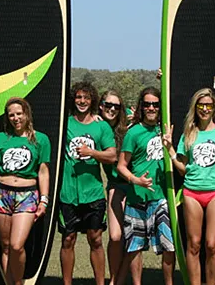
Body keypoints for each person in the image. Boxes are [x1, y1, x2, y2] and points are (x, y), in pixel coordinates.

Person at [165, 88, 215, 285]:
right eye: (200, 105)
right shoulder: (188, 134)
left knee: (212, 245)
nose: (204, 109)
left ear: (214, 108)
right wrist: (170, 150)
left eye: (208, 105)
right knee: (193, 244)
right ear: (195, 108)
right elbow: (183, 170)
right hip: (191, 192)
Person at [0, 97, 51, 285]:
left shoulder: (41, 139)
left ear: (27, 114)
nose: (16, 118)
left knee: (17, 246)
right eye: (11, 115)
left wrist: (44, 200)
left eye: (19, 113)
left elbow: (43, 172)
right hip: (1, 194)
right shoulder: (1, 137)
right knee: (7, 246)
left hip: (27, 196)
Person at [59, 81, 117, 285]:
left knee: (96, 239)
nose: (82, 101)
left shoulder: (101, 126)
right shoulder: (64, 124)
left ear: (92, 100)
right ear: (73, 100)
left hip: (93, 194)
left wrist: (91, 152)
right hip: (68, 194)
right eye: (78, 97)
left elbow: (112, 156)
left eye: (86, 97)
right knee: (68, 240)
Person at [116, 87, 175, 285]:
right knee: (135, 246)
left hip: (162, 198)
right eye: (147, 104)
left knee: (169, 246)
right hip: (137, 199)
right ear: (142, 106)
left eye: (155, 104)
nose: (151, 108)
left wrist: (163, 79)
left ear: (160, 107)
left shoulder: (166, 129)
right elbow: (121, 166)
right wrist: (136, 180)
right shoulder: (134, 133)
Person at [97, 90, 133, 285]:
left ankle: (118, 280)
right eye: (108, 105)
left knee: (132, 237)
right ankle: (113, 278)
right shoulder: (97, 126)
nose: (112, 109)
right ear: (101, 106)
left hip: (135, 186)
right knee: (116, 236)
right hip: (116, 186)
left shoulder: (127, 126)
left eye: (116, 106)